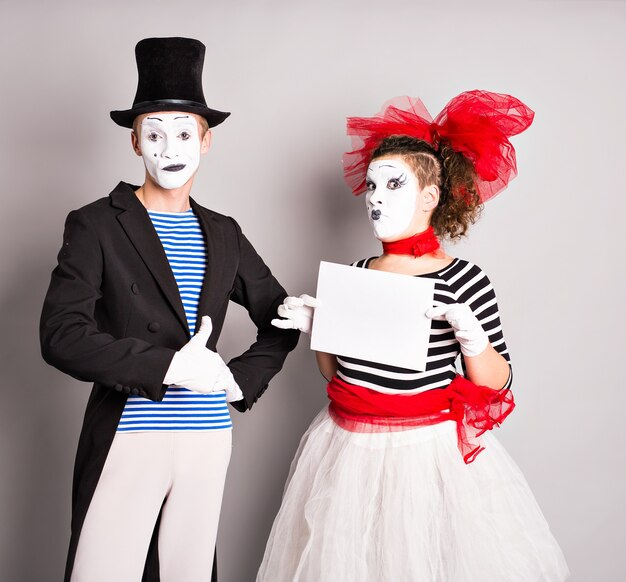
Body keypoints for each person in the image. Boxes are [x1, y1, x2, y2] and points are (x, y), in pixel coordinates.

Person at [259, 90, 569, 581]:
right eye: (372, 187)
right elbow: (336, 372)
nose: (376, 198)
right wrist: (321, 330)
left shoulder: (465, 279)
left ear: (430, 197)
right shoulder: (357, 271)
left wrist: (473, 340)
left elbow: (497, 386)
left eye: (393, 185)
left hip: (424, 456)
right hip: (347, 447)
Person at [40, 37, 298, 582]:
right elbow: (60, 334)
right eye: (153, 134)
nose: (169, 148)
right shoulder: (97, 224)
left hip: (207, 438)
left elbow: (280, 317)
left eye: (184, 133)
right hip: (130, 431)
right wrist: (167, 366)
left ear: (206, 141)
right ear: (135, 142)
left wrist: (238, 381)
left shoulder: (223, 233)